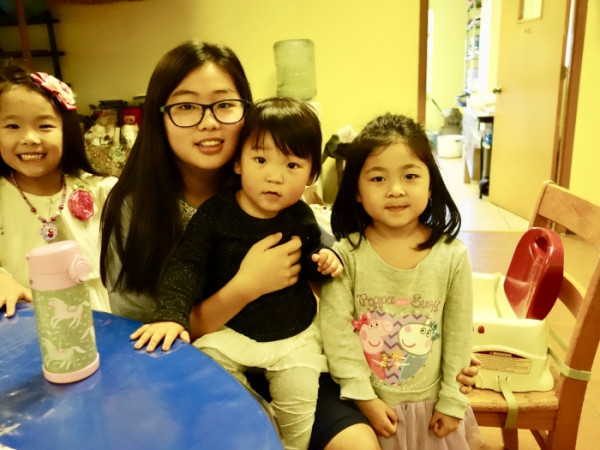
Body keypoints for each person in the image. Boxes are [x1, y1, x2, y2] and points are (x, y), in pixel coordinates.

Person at [100, 41, 480, 450]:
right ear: (159, 115)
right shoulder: (134, 209)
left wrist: (436, 347)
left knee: (357, 444)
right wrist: (245, 287)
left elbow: (343, 268)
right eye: (186, 106)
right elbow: (141, 335)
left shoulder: (283, 199)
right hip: (203, 361)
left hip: (293, 351)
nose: (208, 122)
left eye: (224, 105)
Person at [131, 97, 343, 449]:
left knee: (299, 408)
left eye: (292, 165)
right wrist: (170, 314)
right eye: (260, 160)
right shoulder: (216, 214)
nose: (274, 176)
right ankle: (252, 426)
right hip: (232, 331)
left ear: (311, 175)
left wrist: (326, 261)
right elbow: (187, 264)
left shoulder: (302, 216)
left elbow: (311, 260)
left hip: (294, 334)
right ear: (238, 163)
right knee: (207, 369)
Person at [319, 113, 484, 449]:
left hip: (434, 409)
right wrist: (365, 399)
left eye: (410, 176)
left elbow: (458, 333)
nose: (395, 190)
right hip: (368, 408)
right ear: (357, 191)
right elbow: (337, 335)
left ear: (430, 184)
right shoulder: (345, 256)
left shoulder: (452, 255)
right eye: (378, 178)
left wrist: (452, 400)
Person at [0, 62, 116, 318]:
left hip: (102, 322)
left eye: (45, 126)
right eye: (12, 126)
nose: (29, 138)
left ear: (68, 131)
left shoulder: (103, 190)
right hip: (23, 326)